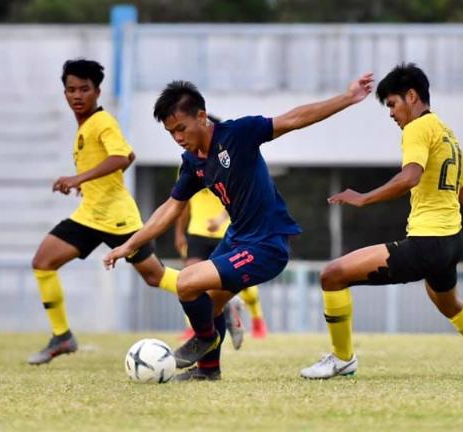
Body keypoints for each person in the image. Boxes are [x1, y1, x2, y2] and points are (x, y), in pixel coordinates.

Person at [104, 73, 374, 381]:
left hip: (266, 245)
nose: (177, 137)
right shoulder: (193, 162)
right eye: (171, 132)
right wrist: (130, 245)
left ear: (202, 117)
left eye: (181, 128)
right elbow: (171, 208)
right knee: (210, 303)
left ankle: (205, 338)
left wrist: (348, 98)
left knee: (187, 282)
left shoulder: (238, 134)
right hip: (237, 239)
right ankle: (208, 371)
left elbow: (294, 119)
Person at [300, 63, 463, 379]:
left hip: (427, 243)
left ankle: (342, 358)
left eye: (392, 104)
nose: (391, 113)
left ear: (412, 96)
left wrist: (364, 197)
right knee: (450, 305)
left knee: (332, 275)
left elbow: (410, 177)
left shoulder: (417, 128)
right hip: (450, 245)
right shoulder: (448, 135)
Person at [28, 59, 180, 365]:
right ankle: (62, 337)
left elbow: (121, 157)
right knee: (43, 262)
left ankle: (212, 292)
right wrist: (91, 183)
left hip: (117, 217)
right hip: (89, 214)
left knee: (155, 277)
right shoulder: (86, 126)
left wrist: (78, 179)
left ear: (97, 91)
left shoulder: (102, 121)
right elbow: (130, 154)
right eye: (71, 89)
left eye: (84, 89)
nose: (77, 95)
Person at [173, 116, 270, 344]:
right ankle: (195, 329)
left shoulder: (229, 160)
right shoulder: (188, 163)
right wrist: (179, 233)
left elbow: (240, 196)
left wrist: (221, 218)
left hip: (226, 232)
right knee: (191, 279)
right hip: (197, 232)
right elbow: (181, 203)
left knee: (243, 284)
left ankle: (257, 320)